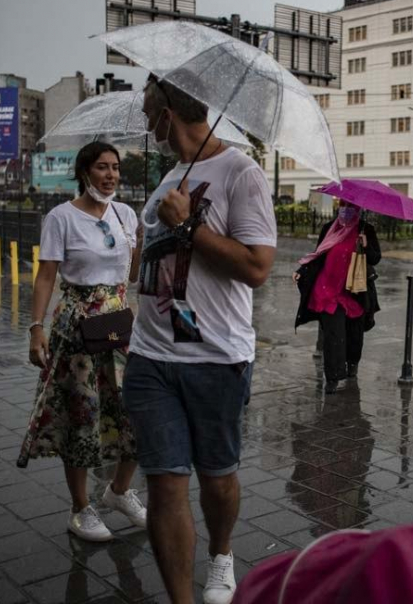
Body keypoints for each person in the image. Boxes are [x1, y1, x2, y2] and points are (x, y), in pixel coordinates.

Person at [122, 76, 277, 604]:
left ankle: (223, 552)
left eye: (148, 110)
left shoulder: (242, 173)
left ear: (169, 111)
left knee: (217, 478)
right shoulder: (169, 176)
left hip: (215, 359)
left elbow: (258, 267)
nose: (145, 122)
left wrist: (189, 228)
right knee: (164, 484)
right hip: (150, 356)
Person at [18, 141, 147, 542]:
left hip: (121, 324)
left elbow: (132, 276)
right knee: (82, 415)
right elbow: (46, 276)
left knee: (140, 409)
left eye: (115, 168)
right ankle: (80, 508)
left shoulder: (126, 214)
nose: (111, 175)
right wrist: (35, 327)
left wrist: (142, 238)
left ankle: (120, 491)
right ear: (84, 172)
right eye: (102, 168)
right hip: (76, 327)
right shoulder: (61, 218)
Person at [293, 202, 381, 394]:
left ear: (358, 210)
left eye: (349, 207)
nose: (345, 210)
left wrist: (366, 245)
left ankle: (352, 364)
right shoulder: (328, 228)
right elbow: (318, 255)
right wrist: (302, 270)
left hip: (354, 291)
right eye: (342, 206)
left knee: (354, 334)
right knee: (333, 334)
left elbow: (376, 258)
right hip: (327, 290)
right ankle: (332, 378)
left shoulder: (366, 229)